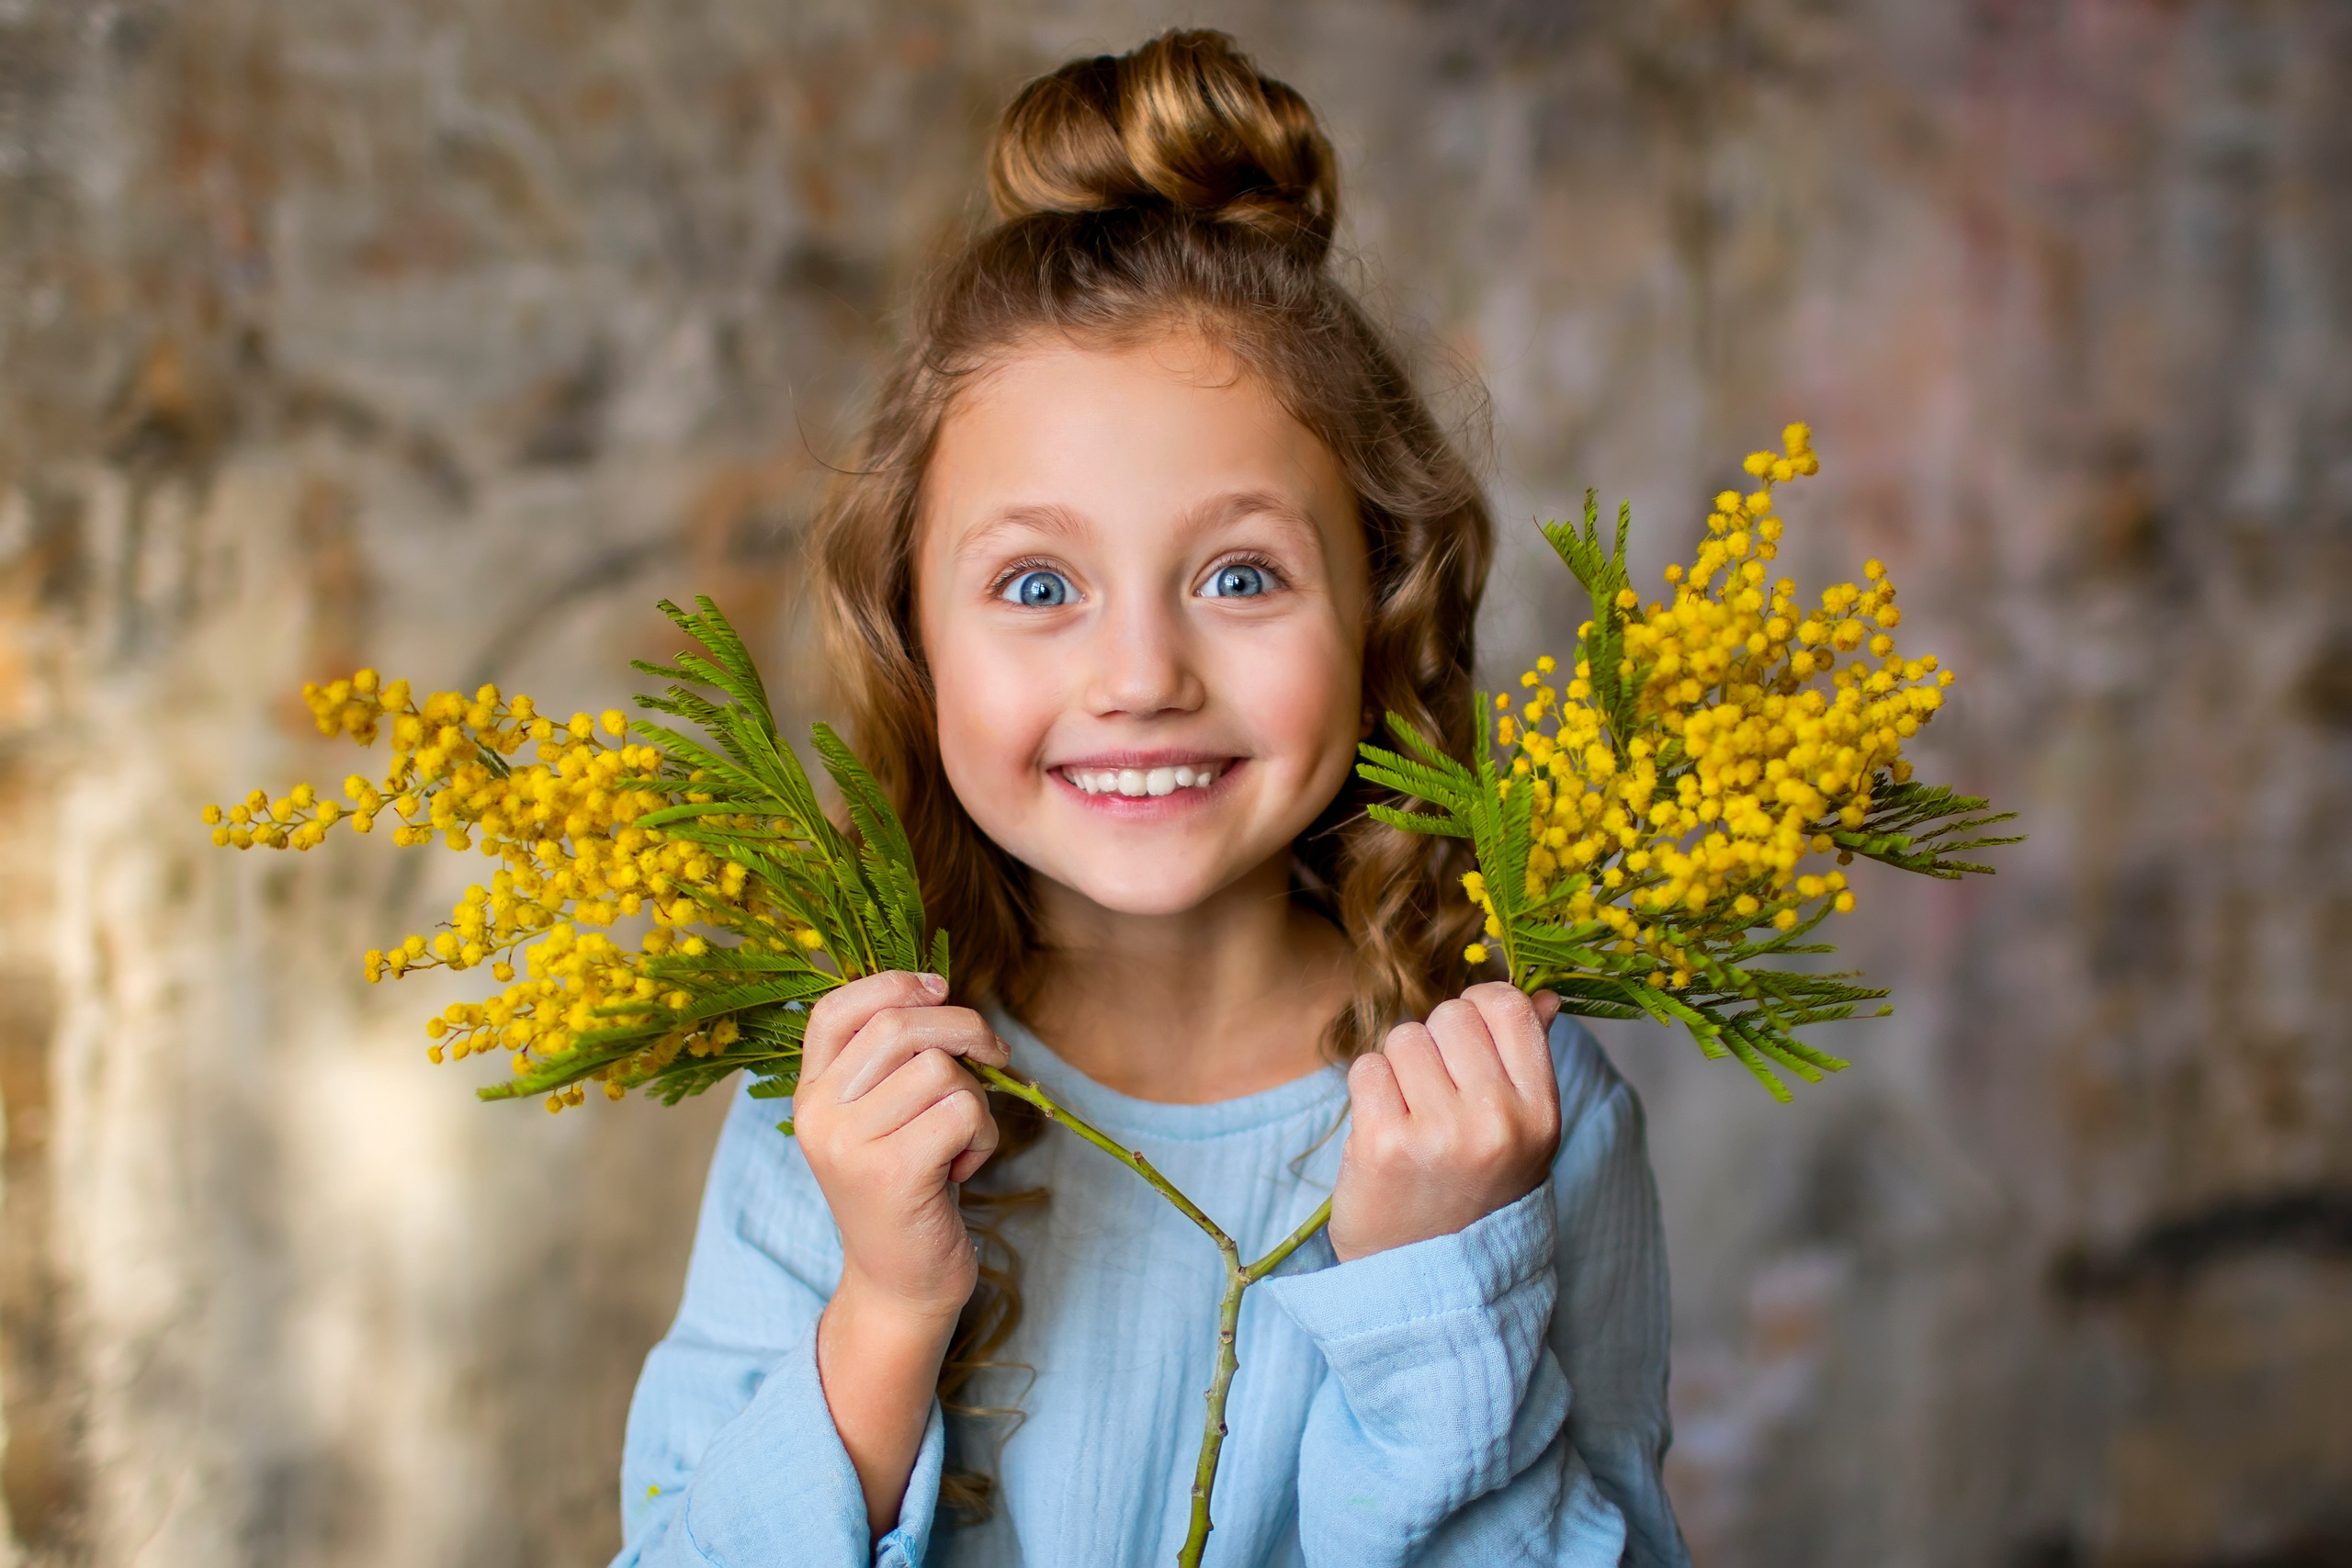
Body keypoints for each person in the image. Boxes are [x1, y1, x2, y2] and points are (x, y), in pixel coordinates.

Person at [612, 29, 1690, 1568]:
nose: (1140, 674)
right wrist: (887, 1311)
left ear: (1378, 607)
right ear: (915, 632)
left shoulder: (1516, 1110)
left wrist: (1444, 1297)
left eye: (1242, 574)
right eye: (1038, 583)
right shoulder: (847, 1104)